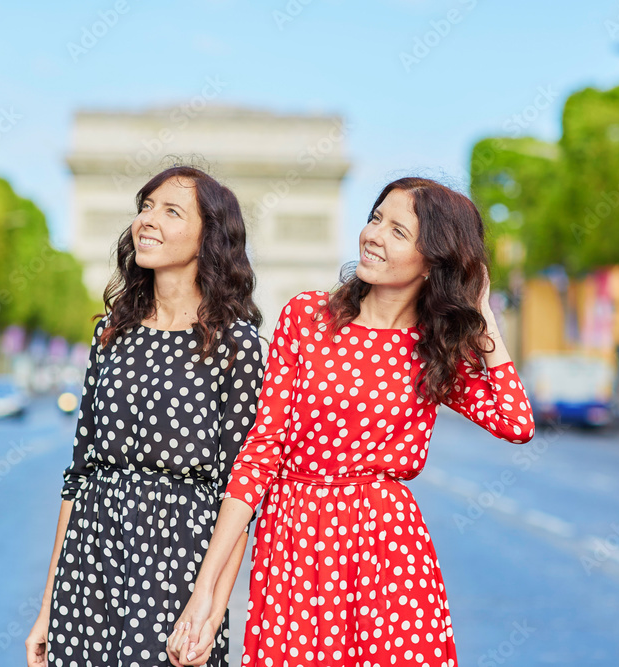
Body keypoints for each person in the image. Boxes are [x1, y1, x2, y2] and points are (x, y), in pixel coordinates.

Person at [166, 176, 536, 667]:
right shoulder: (306, 317)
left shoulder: (433, 351)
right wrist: (206, 591)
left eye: (398, 231)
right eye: (375, 218)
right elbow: (260, 453)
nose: (374, 235)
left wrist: (483, 313)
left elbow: (516, 421)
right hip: (294, 543)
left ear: (434, 261)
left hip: (388, 551)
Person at [25, 166, 264, 667]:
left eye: (171, 211)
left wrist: (211, 613)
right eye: (145, 206)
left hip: (176, 560)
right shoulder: (110, 336)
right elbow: (79, 476)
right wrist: (48, 605)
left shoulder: (236, 346)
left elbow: (240, 494)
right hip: (90, 558)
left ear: (209, 239)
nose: (147, 221)